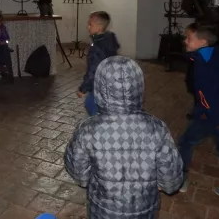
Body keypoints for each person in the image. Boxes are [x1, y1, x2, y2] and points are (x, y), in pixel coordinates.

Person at [65, 56, 183, 219]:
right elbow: (171, 182)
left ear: (99, 87)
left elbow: (81, 176)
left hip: (103, 210)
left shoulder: (87, 129)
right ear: (138, 86)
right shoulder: (157, 128)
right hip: (145, 210)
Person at [178, 23, 219, 195]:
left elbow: (207, 96)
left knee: (185, 142)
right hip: (214, 112)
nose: (185, 41)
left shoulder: (204, 66)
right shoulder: (215, 52)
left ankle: (180, 180)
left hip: (211, 115)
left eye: (189, 38)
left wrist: (217, 120)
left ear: (203, 41)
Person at [77, 11, 119, 116]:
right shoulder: (109, 39)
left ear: (99, 27)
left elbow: (93, 70)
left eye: (90, 24)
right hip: (110, 83)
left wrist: (83, 88)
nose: (88, 27)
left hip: (98, 85)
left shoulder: (97, 47)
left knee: (91, 105)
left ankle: (98, 128)